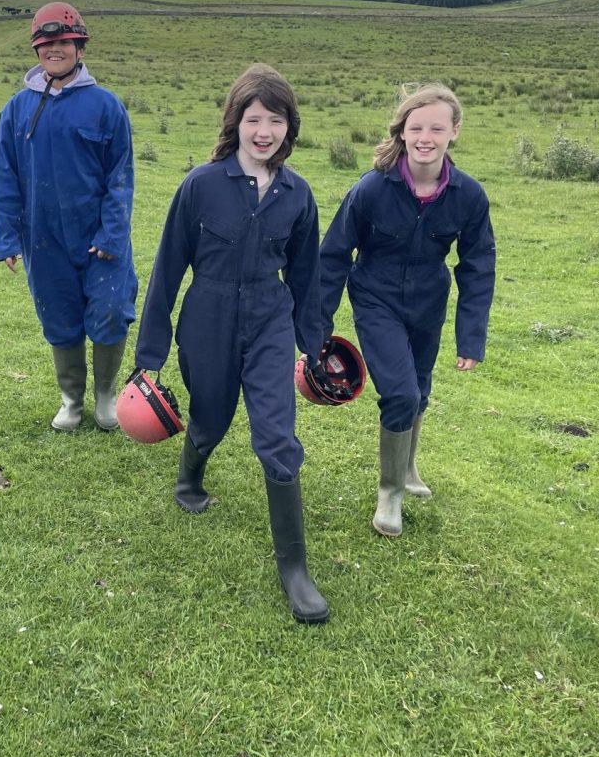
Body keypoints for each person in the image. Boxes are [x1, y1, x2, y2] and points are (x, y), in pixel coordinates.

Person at [134, 64, 330, 626]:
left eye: (276, 120)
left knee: (277, 436)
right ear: (235, 122)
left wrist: (314, 345)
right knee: (211, 416)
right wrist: (149, 357)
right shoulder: (200, 185)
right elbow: (168, 270)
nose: (264, 131)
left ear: (290, 127)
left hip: (270, 318)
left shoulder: (298, 194)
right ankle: (189, 476)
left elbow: (307, 276)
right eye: (254, 119)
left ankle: (295, 570)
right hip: (209, 314)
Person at [317, 83, 495, 538]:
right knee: (400, 393)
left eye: (436, 128)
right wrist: (317, 323)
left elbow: (477, 267)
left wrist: (471, 337)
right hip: (375, 298)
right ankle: (390, 492)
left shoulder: (469, 196)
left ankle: (409, 468)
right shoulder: (372, 189)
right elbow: (334, 254)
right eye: (416, 128)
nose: (425, 138)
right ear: (402, 131)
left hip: (429, 301)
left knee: (420, 387)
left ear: (454, 132)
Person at [0, 2, 137, 433]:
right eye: (46, 43)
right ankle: (71, 400)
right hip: (43, 238)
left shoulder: (106, 106)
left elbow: (120, 176)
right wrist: (6, 236)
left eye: (64, 42)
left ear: (80, 47)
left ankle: (106, 397)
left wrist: (112, 234)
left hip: (100, 238)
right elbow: (3, 176)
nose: (55, 50)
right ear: (37, 51)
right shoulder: (16, 110)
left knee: (111, 311)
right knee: (59, 317)